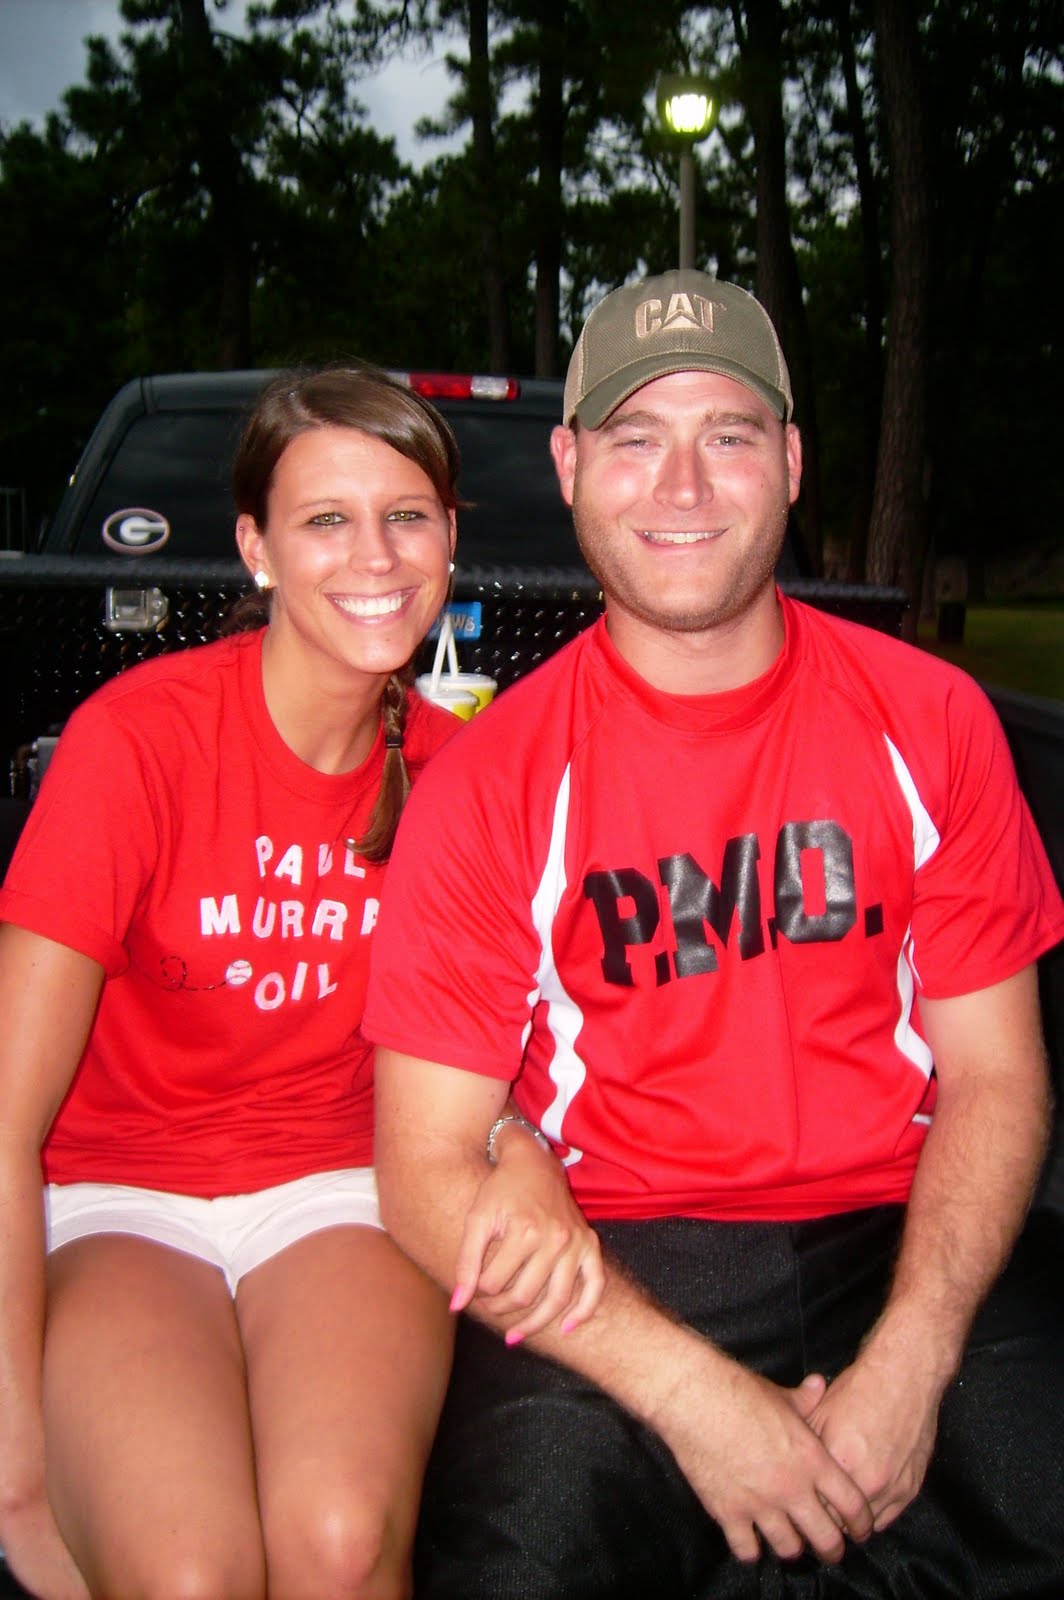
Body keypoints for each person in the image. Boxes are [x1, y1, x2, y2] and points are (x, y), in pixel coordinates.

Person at [365, 272, 1064, 1599]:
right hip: (617, 1257)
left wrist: (912, 1359)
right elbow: (424, 1170)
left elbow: (996, 1075)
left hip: (902, 1225)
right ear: (570, 466)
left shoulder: (931, 719)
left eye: (727, 435)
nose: (681, 485)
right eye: (634, 437)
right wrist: (700, 1401)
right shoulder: (491, 784)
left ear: (790, 463)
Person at [0, 364, 594, 1600]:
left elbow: (494, 1053)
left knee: (336, 1539)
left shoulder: (461, 775)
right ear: (255, 549)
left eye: (406, 515)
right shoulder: (137, 741)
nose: (373, 554)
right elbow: (6, 1120)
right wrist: (12, 1471)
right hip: (119, 1199)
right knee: (186, 1572)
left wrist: (519, 1144)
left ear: (447, 541)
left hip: (341, 1190)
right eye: (325, 518)